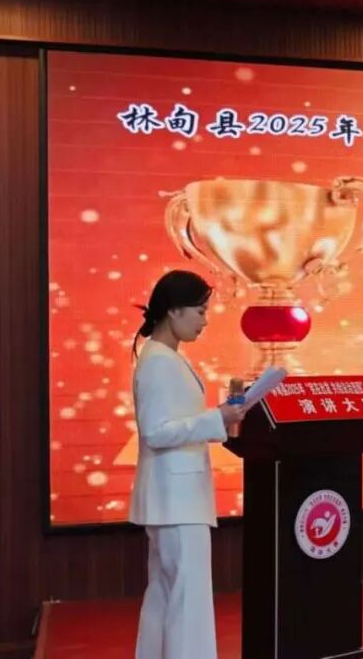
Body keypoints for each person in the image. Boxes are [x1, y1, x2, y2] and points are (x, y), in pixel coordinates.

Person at [129, 270, 246, 659]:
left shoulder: (163, 357)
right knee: (186, 601)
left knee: (166, 596)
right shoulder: (159, 362)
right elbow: (156, 431)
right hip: (177, 499)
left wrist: (219, 419)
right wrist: (217, 418)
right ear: (174, 311)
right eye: (200, 311)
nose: (205, 320)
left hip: (175, 498)